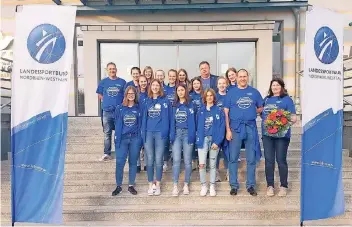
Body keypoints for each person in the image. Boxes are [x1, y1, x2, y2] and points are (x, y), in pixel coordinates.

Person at [224, 69, 264, 196]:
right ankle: (234, 185)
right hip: (235, 128)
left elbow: (261, 107)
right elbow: (226, 112)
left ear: (248, 77)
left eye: (244, 76)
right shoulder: (231, 93)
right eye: (240, 76)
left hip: (250, 127)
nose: (242, 78)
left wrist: (253, 112)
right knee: (233, 157)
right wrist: (228, 130)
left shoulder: (254, 92)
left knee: (251, 158)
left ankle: (251, 185)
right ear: (236, 77)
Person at [261, 78, 297, 197]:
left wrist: (280, 125)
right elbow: (261, 113)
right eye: (273, 85)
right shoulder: (266, 100)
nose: (275, 87)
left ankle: (283, 186)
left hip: (282, 136)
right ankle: (270, 186)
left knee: (281, 160)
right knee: (269, 161)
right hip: (267, 136)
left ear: (282, 87)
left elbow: (293, 118)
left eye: (277, 85)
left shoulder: (287, 100)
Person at [141, 79, 170, 196]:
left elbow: (168, 118)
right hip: (148, 133)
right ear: (150, 87)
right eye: (153, 85)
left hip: (160, 134)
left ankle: (157, 184)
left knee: (159, 159)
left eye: (157, 85)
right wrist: (143, 133)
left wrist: (166, 132)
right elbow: (143, 118)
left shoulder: (165, 101)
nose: (155, 87)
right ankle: (150, 184)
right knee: (150, 159)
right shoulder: (146, 101)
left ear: (160, 87)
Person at [112, 86, 142, 196]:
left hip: (134, 138)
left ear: (135, 95)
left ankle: (131, 185)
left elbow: (140, 124)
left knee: (133, 162)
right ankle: (118, 185)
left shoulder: (139, 108)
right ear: (126, 94)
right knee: (120, 162)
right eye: (129, 93)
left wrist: (140, 139)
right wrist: (116, 138)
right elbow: (116, 123)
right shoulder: (120, 108)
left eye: (132, 93)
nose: (131, 95)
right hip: (122, 139)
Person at [196, 88, 225, 196]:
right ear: (205, 98)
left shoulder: (218, 110)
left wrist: (217, 142)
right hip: (203, 140)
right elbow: (197, 127)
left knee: (212, 165)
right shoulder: (201, 110)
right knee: (202, 164)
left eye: (211, 95)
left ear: (214, 97)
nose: (209, 97)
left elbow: (222, 128)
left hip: (214, 141)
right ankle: (204, 185)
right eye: (207, 95)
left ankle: (212, 185)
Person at [96, 62, 126, 161]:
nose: (112, 70)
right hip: (107, 112)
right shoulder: (103, 82)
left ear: (116, 70)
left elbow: (125, 95)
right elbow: (100, 95)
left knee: (119, 133)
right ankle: (106, 153)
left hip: (118, 112)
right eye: (110, 69)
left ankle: (119, 153)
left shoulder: (122, 82)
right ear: (107, 70)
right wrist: (107, 101)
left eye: (113, 68)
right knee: (107, 133)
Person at [170, 84, 196, 196]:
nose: (180, 92)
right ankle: (175, 185)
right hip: (176, 134)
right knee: (176, 160)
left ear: (186, 91)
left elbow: (195, 121)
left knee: (187, 161)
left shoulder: (191, 105)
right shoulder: (173, 105)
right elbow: (171, 122)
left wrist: (192, 134)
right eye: (178, 90)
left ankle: (186, 184)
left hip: (187, 134)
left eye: (182, 90)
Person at [163, 69, 177, 172]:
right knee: (166, 140)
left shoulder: (178, 89)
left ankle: (174, 158)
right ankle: (166, 160)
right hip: (167, 117)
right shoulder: (164, 89)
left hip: (177, 117)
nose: (172, 78)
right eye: (170, 76)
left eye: (174, 76)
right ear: (168, 77)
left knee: (175, 139)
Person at [215, 76, 229, 182]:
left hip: (228, 127)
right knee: (216, 151)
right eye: (220, 83)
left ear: (227, 84)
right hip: (217, 128)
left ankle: (229, 172)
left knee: (227, 151)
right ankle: (216, 173)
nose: (222, 85)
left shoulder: (230, 96)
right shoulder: (214, 97)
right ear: (217, 85)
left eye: (223, 83)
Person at [189, 78, 203, 170]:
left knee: (201, 141)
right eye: (194, 84)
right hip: (192, 121)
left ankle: (202, 160)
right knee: (192, 141)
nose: (196, 85)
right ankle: (194, 160)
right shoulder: (189, 95)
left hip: (202, 120)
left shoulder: (204, 94)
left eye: (198, 83)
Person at [137, 75, 148, 172]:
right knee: (137, 143)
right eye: (141, 81)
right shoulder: (136, 94)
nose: (143, 83)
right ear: (138, 82)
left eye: (145, 81)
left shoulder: (150, 93)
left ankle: (146, 164)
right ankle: (137, 164)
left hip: (148, 121)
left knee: (146, 144)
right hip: (137, 122)